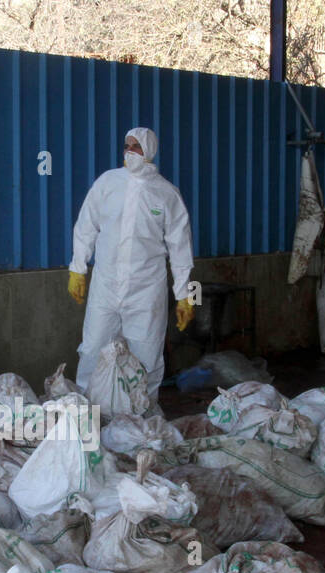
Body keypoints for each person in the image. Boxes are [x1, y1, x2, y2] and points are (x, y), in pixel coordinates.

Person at [68, 127, 194, 410]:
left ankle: (143, 415)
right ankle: (85, 412)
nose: (129, 151)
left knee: (147, 354)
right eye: (126, 145)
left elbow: (181, 247)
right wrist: (77, 269)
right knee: (92, 348)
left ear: (149, 150)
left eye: (136, 146)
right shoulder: (107, 183)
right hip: (106, 284)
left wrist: (186, 294)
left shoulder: (166, 193)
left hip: (146, 289)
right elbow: (86, 226)